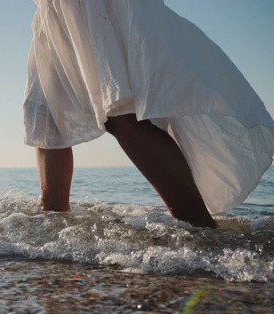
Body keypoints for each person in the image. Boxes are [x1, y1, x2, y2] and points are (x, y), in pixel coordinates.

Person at [23, 0, 274, 228]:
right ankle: (52, 226)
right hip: (52, 11)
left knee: (120, 114)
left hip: (86, 7)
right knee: (46, 119)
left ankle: (200, 226)